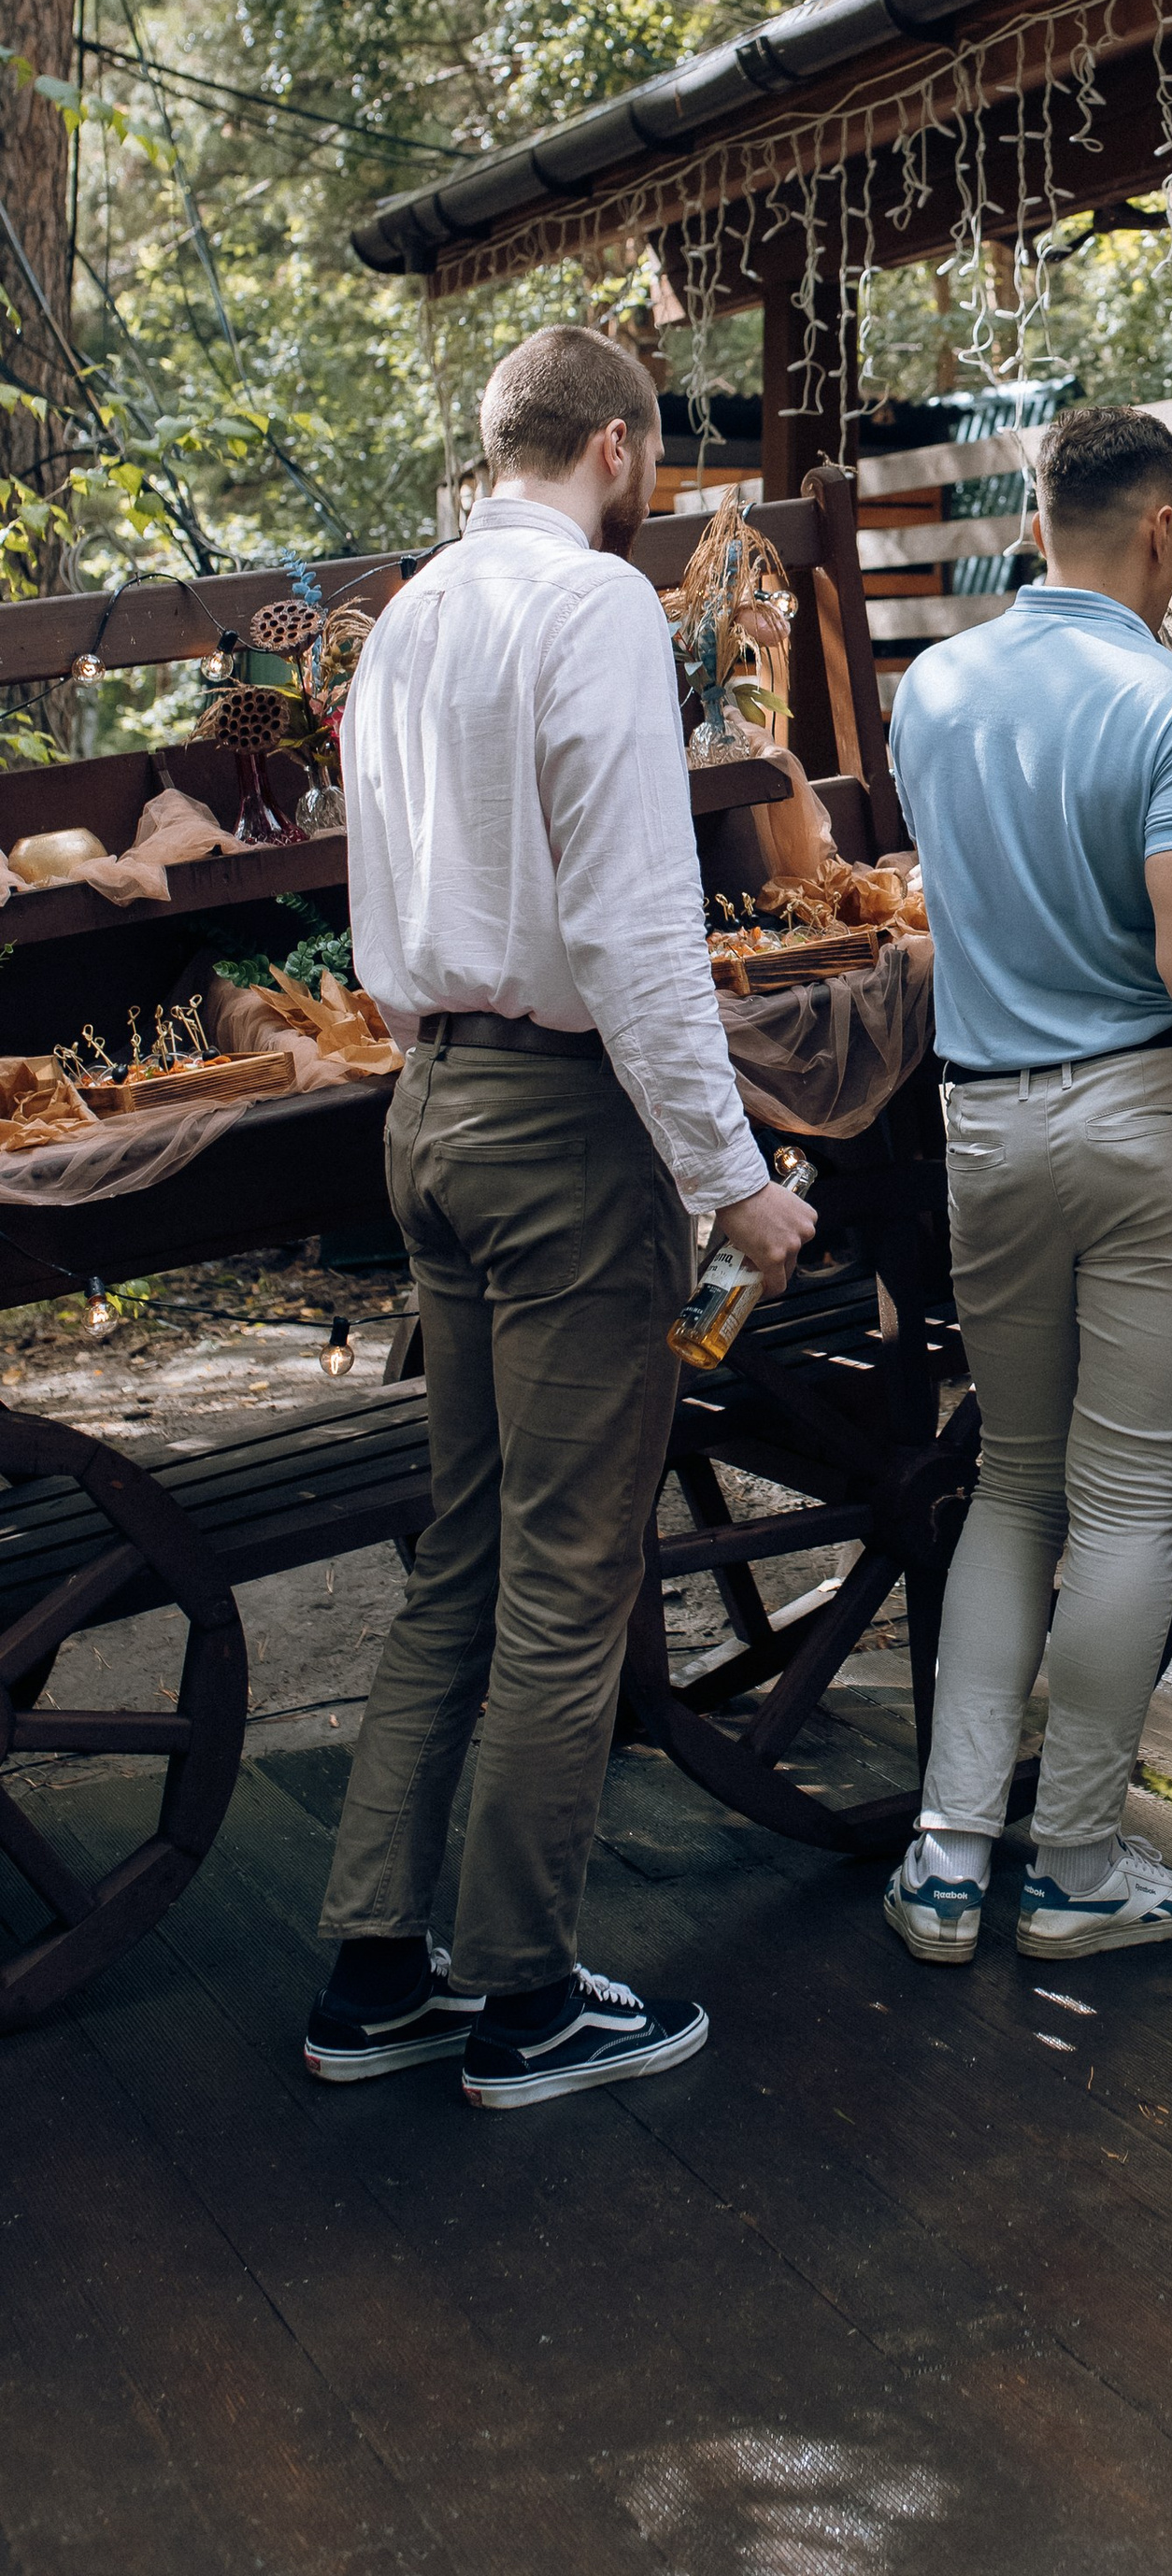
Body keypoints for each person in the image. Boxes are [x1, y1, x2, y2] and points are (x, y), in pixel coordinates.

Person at [306, 326, 817, 2110]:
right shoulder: (595, 605)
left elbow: (387, 885)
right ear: (615, 447)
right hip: (556, 1124)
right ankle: (524, 1994)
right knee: (567, 1571)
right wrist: (732, 1183)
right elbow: (629, 934)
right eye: (654, 467)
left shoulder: (411, 615)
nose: (657, 496)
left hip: (424, 1102)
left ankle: (375, 1967)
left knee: (465, 1543)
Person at [880, 405, 1172, 1968]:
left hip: (985, 1125)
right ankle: (1082, 1866)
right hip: (1146, 1115)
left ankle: (950, 1858)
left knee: (1014, 1485)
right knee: (1122, 1501)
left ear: (1042, 521)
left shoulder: (932, 691)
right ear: (1161, 526)